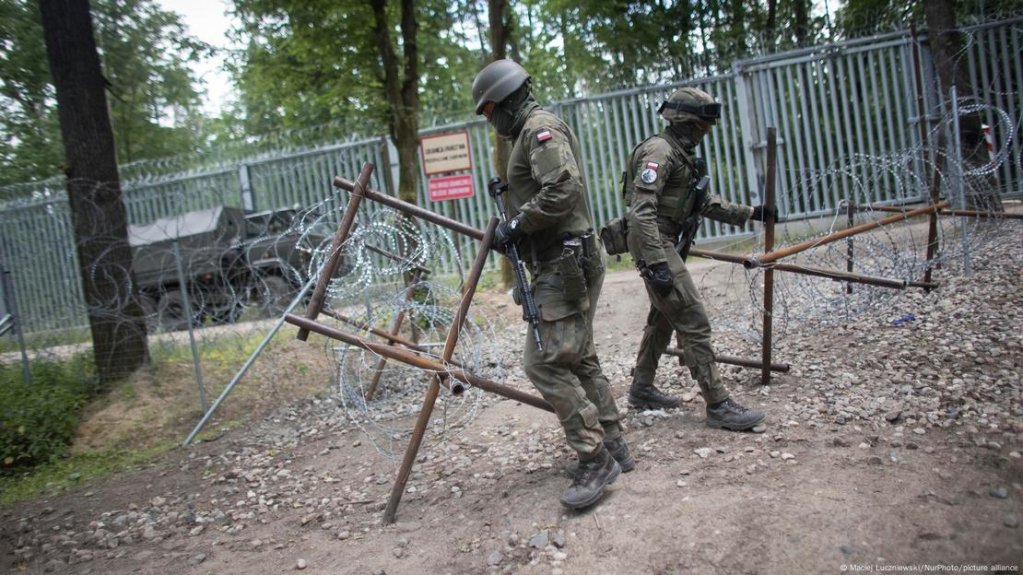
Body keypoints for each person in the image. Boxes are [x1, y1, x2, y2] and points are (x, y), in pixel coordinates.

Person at [472, 59, 632, 510]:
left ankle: (595, 457)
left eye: (487, 111)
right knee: (579, 354)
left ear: (503, 100)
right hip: (564, 258)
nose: (489, 121)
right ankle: (615, 445)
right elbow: (545, 193)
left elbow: (564, 191)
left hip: (563, 263)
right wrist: (514, 221)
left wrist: (517, 224)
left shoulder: (539, 129)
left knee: (543, 363)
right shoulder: (527, 134)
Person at [622, 86, 771, 431]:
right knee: (692, 317)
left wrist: (751, 212)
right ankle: (718, 404)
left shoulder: (683, 153)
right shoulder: (660, 151)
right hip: (653, 241)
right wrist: (658, 263)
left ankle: (641, 388)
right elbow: (641, 211)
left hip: (662, 241)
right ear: (687, 122)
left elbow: (702, 202)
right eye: (703, 125)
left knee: (664, 316)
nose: (707, 132)